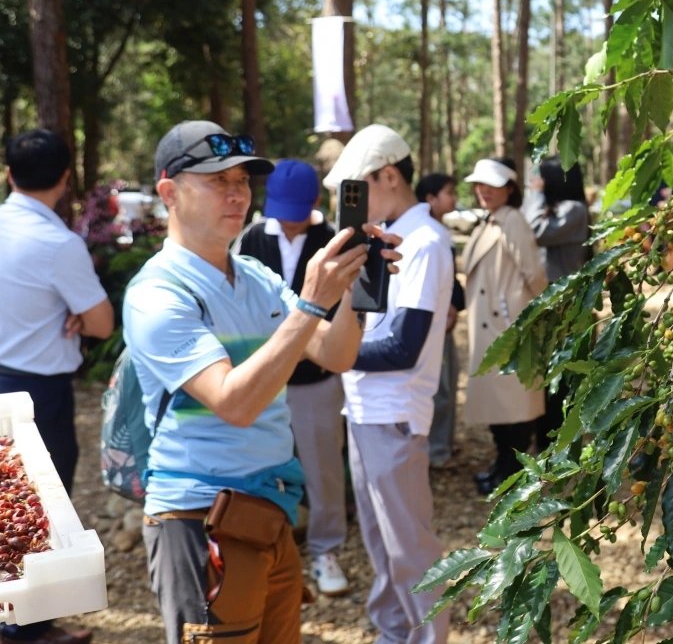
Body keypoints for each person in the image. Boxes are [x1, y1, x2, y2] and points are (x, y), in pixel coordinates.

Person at [125, 121, 394, 644]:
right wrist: (311, 302)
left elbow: (335, 354)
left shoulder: (256, 276)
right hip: (199, 515)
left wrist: (356, 289)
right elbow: (235, 404)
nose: (237, 194)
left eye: (243, 181)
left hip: (269, 509)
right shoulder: (157, 294)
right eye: (217, 181)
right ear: (169, 193)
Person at [0, 131, 113, 644]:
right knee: (42, 511)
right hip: (37, 392)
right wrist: (76, 312)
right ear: (65, 178)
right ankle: (26, 630)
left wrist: (70, 310)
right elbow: (102, 323)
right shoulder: (59, 243)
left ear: (9, 174)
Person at [323, 125, 454, 644]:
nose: (351, 202)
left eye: (357, 188)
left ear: (390, 176)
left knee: (409, 549)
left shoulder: (425, 241)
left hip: (394, 411)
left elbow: (404, 347)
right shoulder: (388, 238)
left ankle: (425, 638)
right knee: (381, 544)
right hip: (365, 409)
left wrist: (331, 352)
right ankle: (393, 632)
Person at [234, 159, 349, 596]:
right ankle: (262, 545)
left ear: (315, 203)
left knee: (323, 467)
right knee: (259, 465)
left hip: (315, 377)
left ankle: (326, 547)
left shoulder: (332, 239)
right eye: (280, 211)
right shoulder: (252, 237)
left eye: (296, 212)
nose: (287, 221)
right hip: (262, 376)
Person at [462, 157, 549, 496]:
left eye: (492, 184)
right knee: (499, 407)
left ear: (510, 188)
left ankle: (511, 473)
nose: (483, 190)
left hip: (507, 327)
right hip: (492, 328)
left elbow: (534, 274)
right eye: (479, 184)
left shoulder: (512, 220)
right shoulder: (490, 220)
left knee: (514, 407)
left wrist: (528, 317)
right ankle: (502, 466)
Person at [523, 157, 590, 442]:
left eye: (542, 177)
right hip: (549, 301)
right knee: (543, 373)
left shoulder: (574, 210)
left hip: (564, 305)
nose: (536, 182)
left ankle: (556, 440)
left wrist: (535, 195)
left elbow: (532, 231)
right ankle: (544, 437)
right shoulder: (556, 209)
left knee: (560, 375)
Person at [415, 173, 466, 469]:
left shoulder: (439, 231)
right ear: (430, 198)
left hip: (442, 320)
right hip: (432, 322)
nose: (454, 198)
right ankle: (435, 452)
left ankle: (441, 446)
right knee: (441, 388)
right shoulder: (426, 234)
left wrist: (455, 305)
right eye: (449, 192)